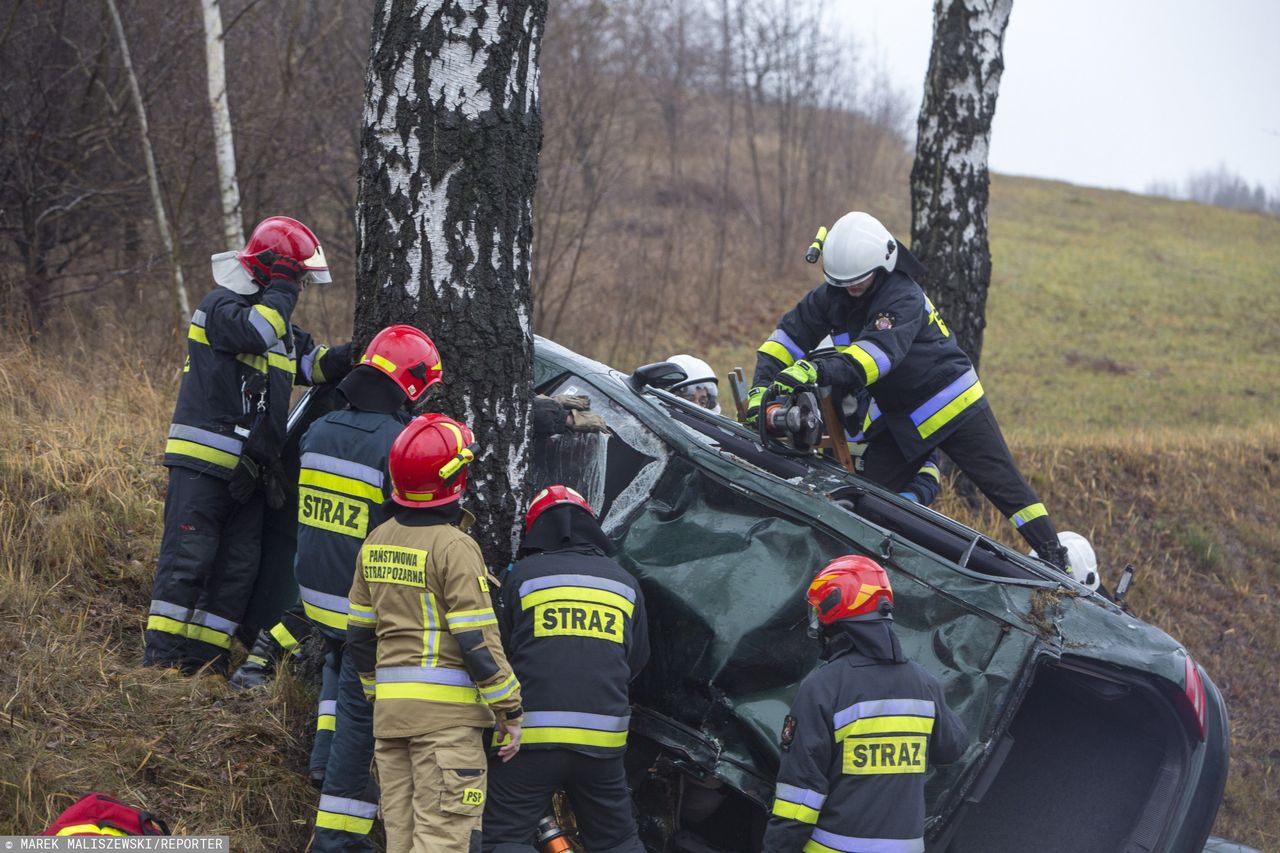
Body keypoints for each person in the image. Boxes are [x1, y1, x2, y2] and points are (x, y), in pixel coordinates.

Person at [746, 211, 1071, 571]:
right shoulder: (833, 294)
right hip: (899, 418)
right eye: (844, 283)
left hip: (953, 405)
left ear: (883, 265)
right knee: (869, 499)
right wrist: (761, 392)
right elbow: (784, 341)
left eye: (860, 281)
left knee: (1006, 489)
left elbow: (873, 357)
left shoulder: (902, 295)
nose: (851, 290)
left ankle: (1057, 560)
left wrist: (815, 369)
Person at [144, 216, 352, 675]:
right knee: (188, 560)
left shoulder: (276, 326)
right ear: (273, 270)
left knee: (235, 571)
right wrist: (282, 288)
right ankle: (160, 664)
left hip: (250, 474)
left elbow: (314, 366)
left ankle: (203, 662)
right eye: (295, 276)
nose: (299, 287)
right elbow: (256, 332)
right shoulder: (221, 307)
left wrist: (359, 353)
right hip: (204, 467)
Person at [289, 325, 442, 851]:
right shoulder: (397, 444)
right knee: (359, 717)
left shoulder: (320, 428)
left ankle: (319, 762)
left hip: (315, 592)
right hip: (362, 605)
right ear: (412, 384)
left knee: (337, 664)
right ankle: (340, 834)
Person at [347, 414, 523, 853]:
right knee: (444, 842)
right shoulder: (454, 546)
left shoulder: (376, 541)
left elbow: (359, 637)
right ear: (456, 476)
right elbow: (476, 639)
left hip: (391, 722)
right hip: (445, 729)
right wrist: (510, 709)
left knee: (403, 844)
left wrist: (377, 694)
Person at [482, 486, 648, 853]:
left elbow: (499, 655)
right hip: (602, 745)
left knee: (506, 838)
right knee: (617, 840)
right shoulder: (624, 583)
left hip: (526, 741)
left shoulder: (522, 578)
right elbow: (636, 661)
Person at [763, 555, 967, 852]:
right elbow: (953, 748)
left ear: (835, 609)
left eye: (817, 610)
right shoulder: (924, 683)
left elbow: (798, 800)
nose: (815, 619)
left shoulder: (823, 688)